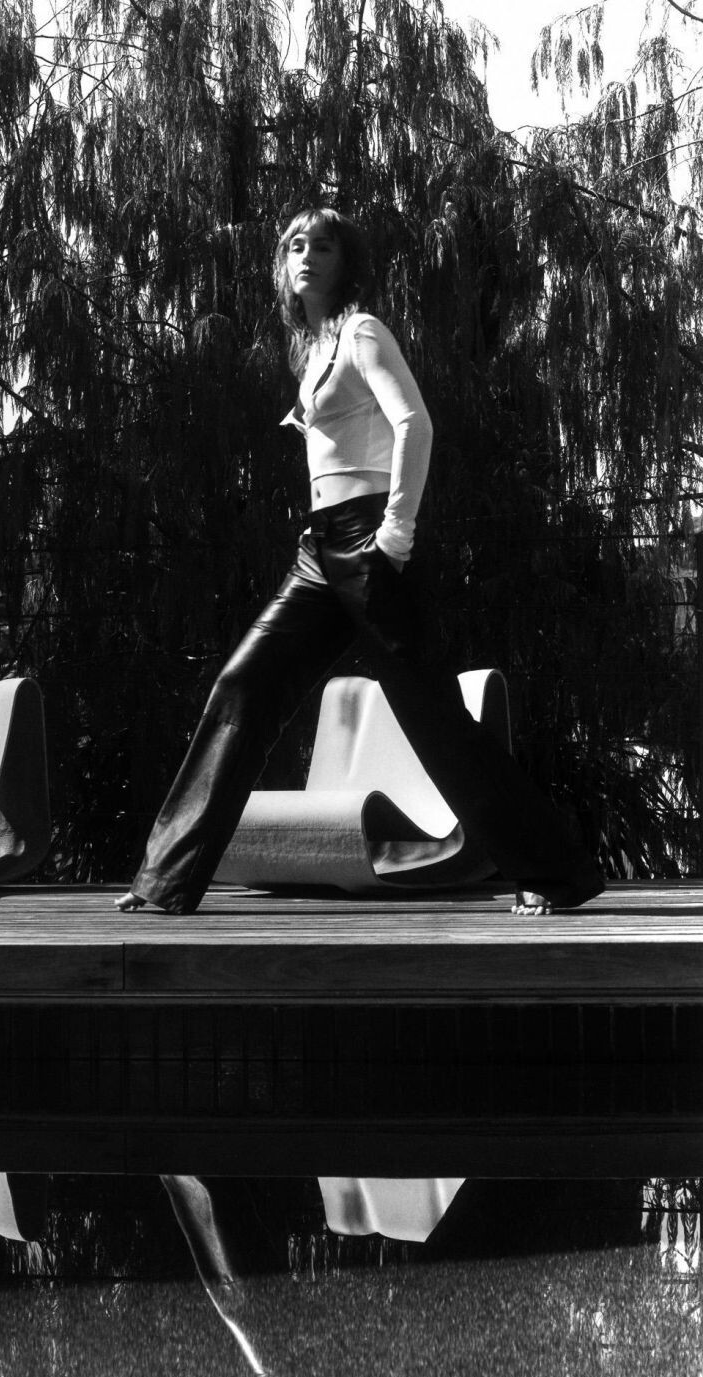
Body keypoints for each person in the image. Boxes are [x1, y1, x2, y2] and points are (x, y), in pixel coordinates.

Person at [116, 206, 604, 918]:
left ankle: (558, 875)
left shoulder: (362, 330)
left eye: (322, 246)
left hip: (372, 541)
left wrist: (396, 533)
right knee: (244, 685)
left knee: (432, 717)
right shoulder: (312, 348)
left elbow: (414, 423)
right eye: (295, 246)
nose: (306, 256)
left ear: (345, 263)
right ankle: (165, 881)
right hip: (319, 551)